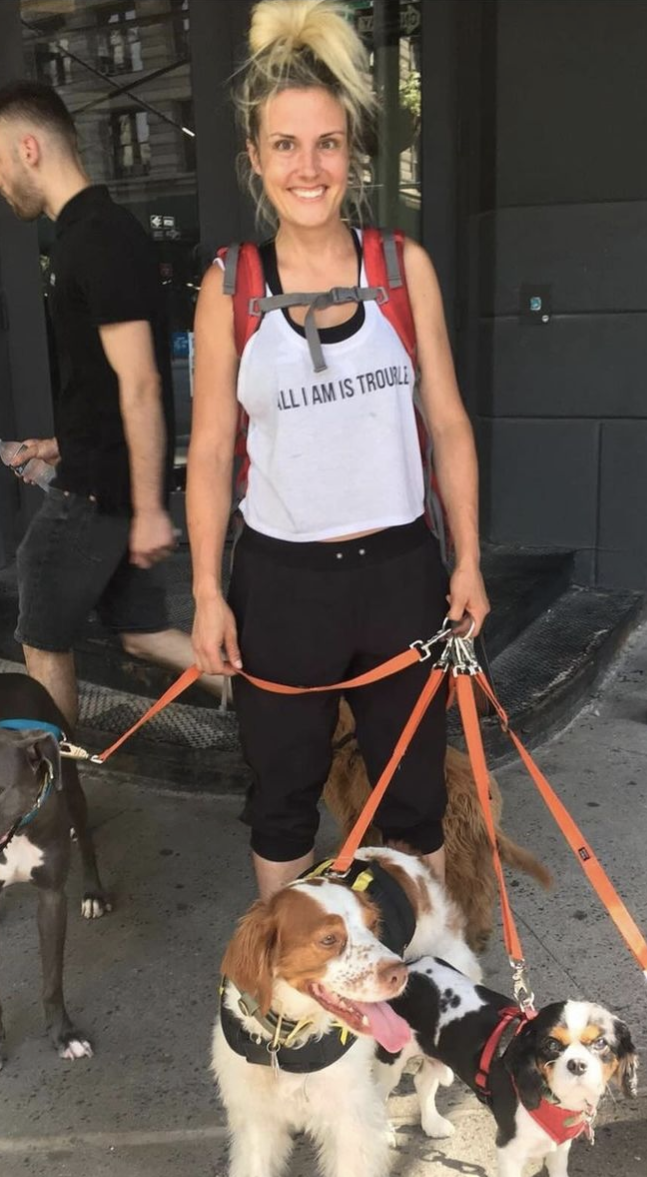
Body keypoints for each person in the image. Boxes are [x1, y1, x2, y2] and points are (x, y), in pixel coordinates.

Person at [186, 0, 489, 900]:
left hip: (401, 575)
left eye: (325, 143)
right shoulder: (229, 286)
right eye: (284, 145)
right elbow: (207, 454)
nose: (306, 166)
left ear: (352, 152)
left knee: (413, 804)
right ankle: (294, 1007)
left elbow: (448, 425)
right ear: (254, 159)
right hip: (281, 586)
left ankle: (424, 987)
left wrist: (467, 558)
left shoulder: (402, 268)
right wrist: (206, 591)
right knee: (281, 799)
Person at [0, 81, 223, 726]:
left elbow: (142, 383)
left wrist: (147, 511)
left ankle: (57, 811)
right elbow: (109, 384)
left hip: (95, 497)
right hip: (106, 482)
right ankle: (275, 707)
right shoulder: (101, 234)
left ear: (28, 148)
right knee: (141, 632)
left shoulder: (95, 240)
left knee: (41, 638)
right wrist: (58, 444)